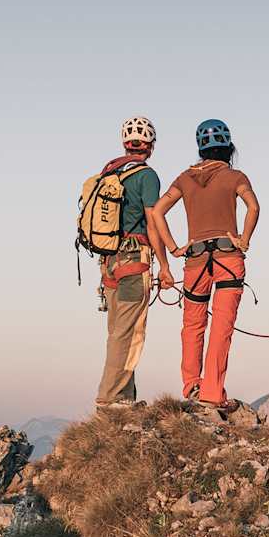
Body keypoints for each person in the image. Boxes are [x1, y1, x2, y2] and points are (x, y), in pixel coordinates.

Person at [147, 119, 260, 413]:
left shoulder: (185, 179)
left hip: (195, 260)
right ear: (228, 147)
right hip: (227, 258)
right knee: (221, 325)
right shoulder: (235, 176)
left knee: (192, 325)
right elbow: (253, 207)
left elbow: (158, 212)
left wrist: (174, 248)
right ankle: (212, 392)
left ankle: (192, 386)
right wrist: (243, 239)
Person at [94, 117, 163, 406]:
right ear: (151, 145)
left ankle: (124, 398)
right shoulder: (147, 176)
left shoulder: (110, 172)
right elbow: (153, 220)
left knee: (116, 331)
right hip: (135, 259)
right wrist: (166, 264)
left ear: (125, 143)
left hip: (108, 260)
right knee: (128, 330)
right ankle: (109, 400)